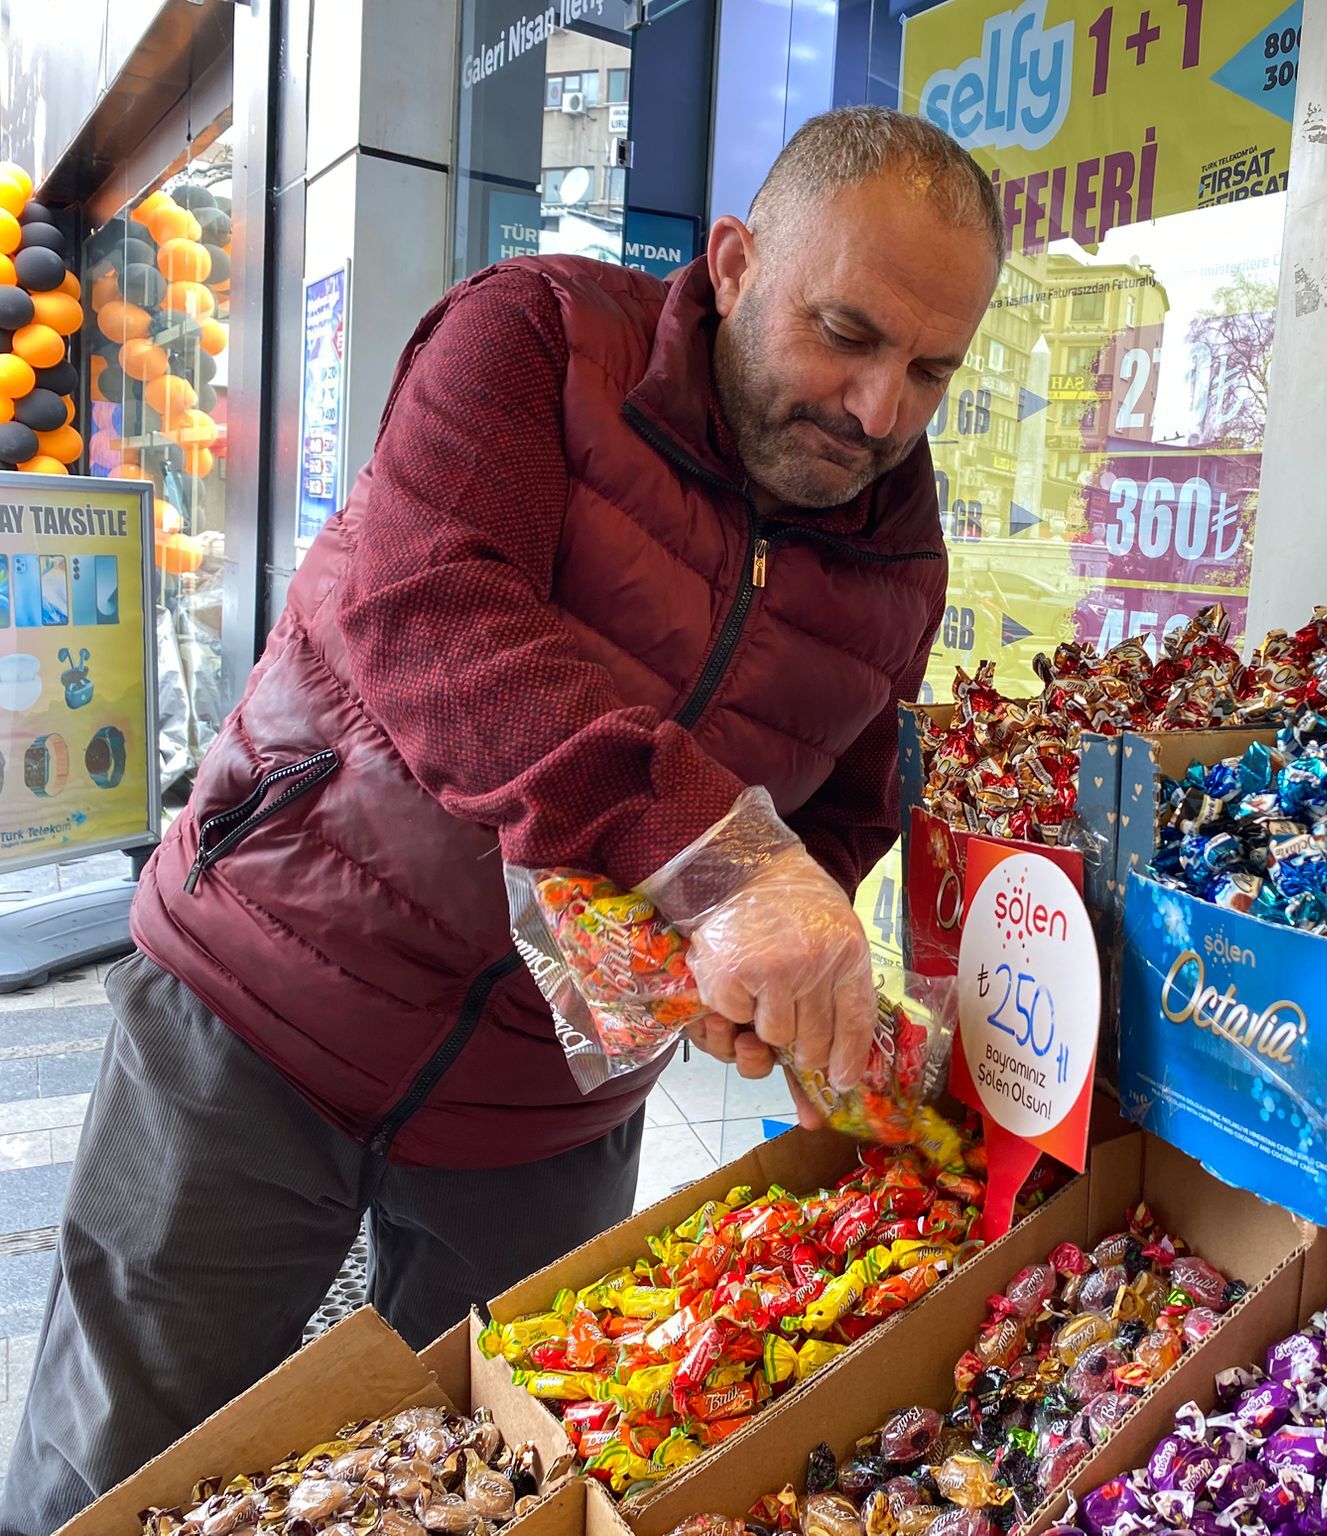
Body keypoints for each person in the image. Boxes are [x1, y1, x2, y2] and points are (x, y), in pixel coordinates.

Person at [0, 104, 1002, 1534]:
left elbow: (839, 804)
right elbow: (432, 606)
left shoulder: (906, 548)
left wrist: (732, 966)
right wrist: (723, 867)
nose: (877, 410)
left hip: (548, 1108)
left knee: (489, 1488)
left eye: (931, 370)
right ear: (730, 262)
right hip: (267, 1004)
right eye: (843, 333)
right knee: (115, 1472)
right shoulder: (534, 336)